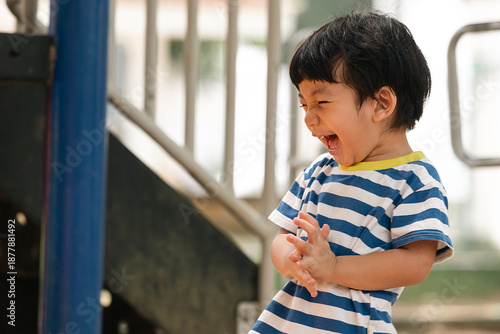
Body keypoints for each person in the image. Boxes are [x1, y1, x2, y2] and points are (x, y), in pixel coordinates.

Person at [250, 11, 453, 334]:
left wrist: (333, 267)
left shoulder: (414, 181)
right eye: (304, 105)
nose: (309, 119)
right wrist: (294, 259)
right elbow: (281, 238)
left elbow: (416, 263)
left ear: (381, 104)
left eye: (322, 102)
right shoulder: (318, 171)